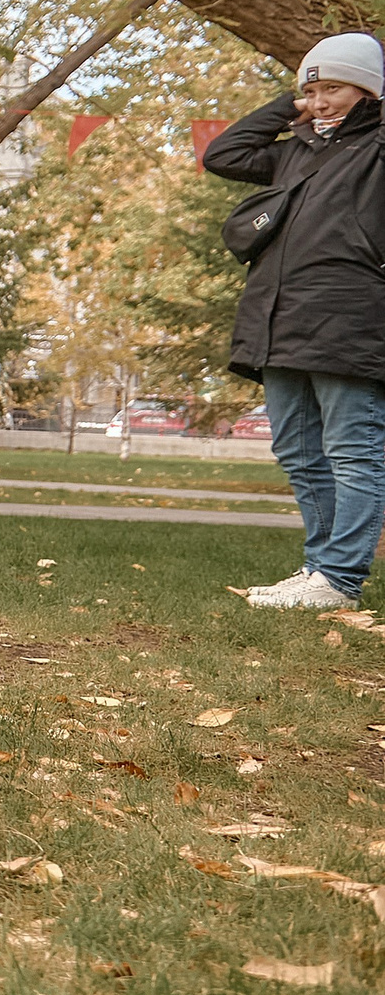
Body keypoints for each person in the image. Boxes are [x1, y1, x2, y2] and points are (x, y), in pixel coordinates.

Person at [206, 31, 385, 610]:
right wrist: (290, 105)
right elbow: (223, 155)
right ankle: (319, 570)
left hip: (351, 319)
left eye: (333, 87)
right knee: (299, 450)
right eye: (312, 89)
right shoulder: (295, 148)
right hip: (279, 321)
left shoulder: (379, 145)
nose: (320, 100)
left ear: (368, 88)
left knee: (354, 450)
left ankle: (340, 578)